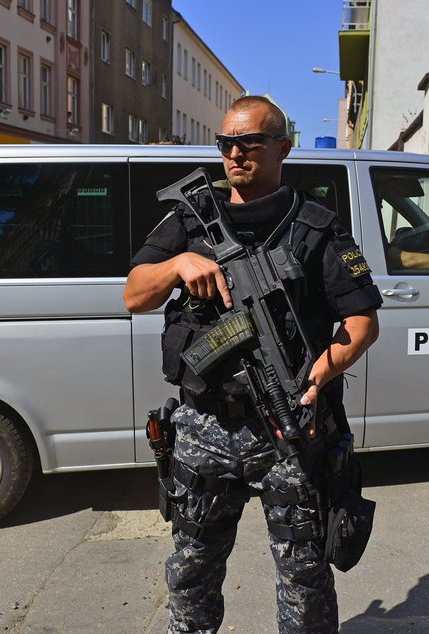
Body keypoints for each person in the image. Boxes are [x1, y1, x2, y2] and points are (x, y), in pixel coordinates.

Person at [124, 96, 381, 633]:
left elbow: (361, 324)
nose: (234, 153)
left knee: (304, 576)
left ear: (283, 148)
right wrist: (176, 264)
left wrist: (321, 375)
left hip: (292, 428)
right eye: (225, 143)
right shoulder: (189, 218)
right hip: (204, 427)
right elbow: (134, 295)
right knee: (191, 570)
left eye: (249, 143)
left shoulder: (315, 226)